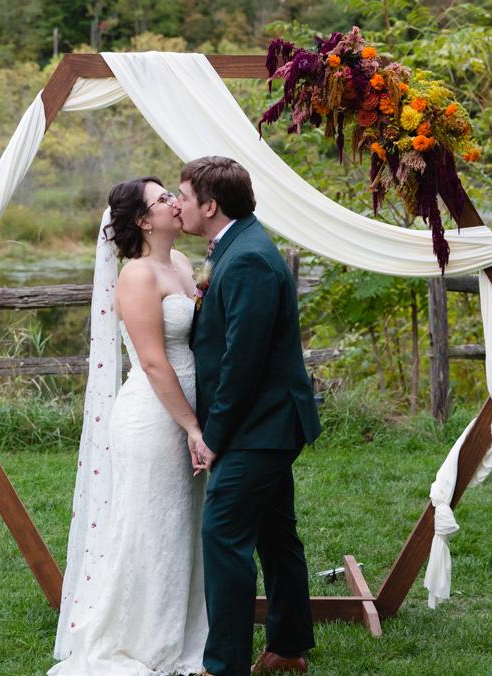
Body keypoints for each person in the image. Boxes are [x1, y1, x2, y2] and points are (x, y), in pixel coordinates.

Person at [50, 176, 208, 675]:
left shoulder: (181, 263)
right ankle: (141, 638)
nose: (175, 202)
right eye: (163, 199)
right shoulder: (137, 276)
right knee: (151, 525)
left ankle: (187, 631)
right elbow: (154, 363)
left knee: (184, 524)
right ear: (143, 221)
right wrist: (193, 428)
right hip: (154, 418)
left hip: (187, 409)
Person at [177, 156, 321, 676]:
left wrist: (213, 436)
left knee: (223, 535)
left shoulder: (248, 259)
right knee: (275, 533)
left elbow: (244, 361)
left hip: (262, 424)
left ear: (210, 206)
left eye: (184, 197)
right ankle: (288, 648)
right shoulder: (236, 247)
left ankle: (223, 666)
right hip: (264, 421)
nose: (178, 204)